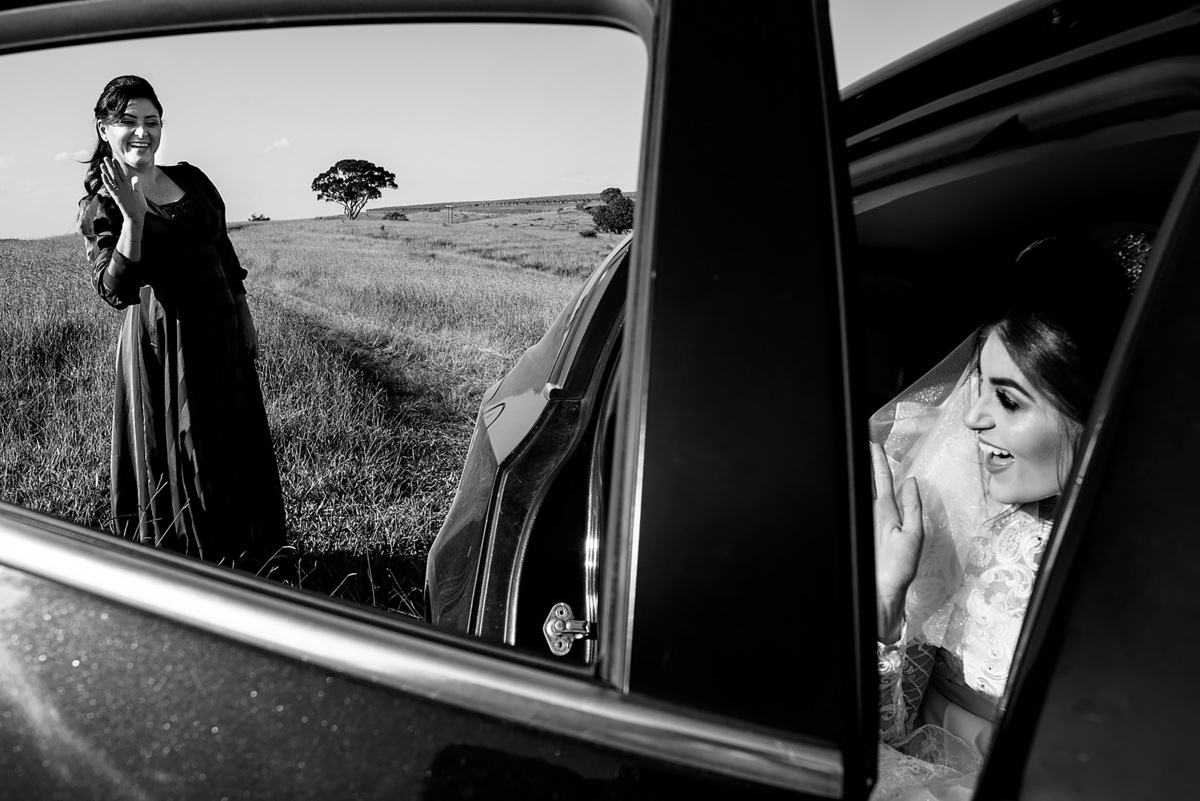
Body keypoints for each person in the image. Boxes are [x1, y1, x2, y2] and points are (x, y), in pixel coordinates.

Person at [867, 235, 1132, 800]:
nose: (973, 418)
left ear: (1096, 414)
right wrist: (886, 607)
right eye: (980, 388)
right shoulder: (954, 512)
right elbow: (885, 735)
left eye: (1008, 400)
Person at [77, 75, 288, 576]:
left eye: (152, 121)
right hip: (166, 344)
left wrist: (243, 312)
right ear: (104, 129)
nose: (142, 132)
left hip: (220, 328)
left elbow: (222, 248)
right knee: (186, 448)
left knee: (231, 436)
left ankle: (249, 555)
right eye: (128, 121)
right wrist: (133, 220)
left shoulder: (191, 178)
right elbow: (114, 289)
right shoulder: (101, 205)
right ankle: (197, 564)